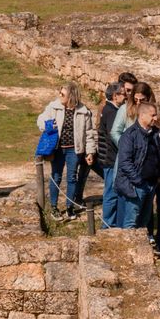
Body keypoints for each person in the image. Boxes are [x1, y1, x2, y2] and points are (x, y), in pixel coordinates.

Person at [36, 82, 98, 220]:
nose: (60, 95)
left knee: (72, 178)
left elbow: (89, 133)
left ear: (71, 96)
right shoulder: (53, 107)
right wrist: (47, 125)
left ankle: (70, 207)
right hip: (57, 149)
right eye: (60, 92)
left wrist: (90, 152)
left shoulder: (84, 111)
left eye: (63, 94)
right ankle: (54, 208)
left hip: (74, 150)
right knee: (56, 177)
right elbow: (40, 119)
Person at [115, 101, 160, 231]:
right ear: (142, 115)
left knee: (144, 223)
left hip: (151, 184)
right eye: (152, 115)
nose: (156, 118)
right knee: (130, 223)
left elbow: (158, 155)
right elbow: (125, 162)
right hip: (136, 185)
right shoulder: (130, 135)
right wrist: (138, 181)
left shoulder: (154, 133)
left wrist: (159, 175)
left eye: (156, 115)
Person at [97, 83, 126, 228]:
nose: (125, 96)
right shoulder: (111, 112)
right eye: (123, 93)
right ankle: (107, 225)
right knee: (111, 193)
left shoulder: (109, 109)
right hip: (111, 158)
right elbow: (112, 135)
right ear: (115, 96)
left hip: (109, 157)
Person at [110, 81, 154, 146]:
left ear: (148, 98)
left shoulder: (153, 111)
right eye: (136, 99)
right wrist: (125, 146)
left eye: (142, 100)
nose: (138, 103)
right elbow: (115, 132)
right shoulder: (125, 109)